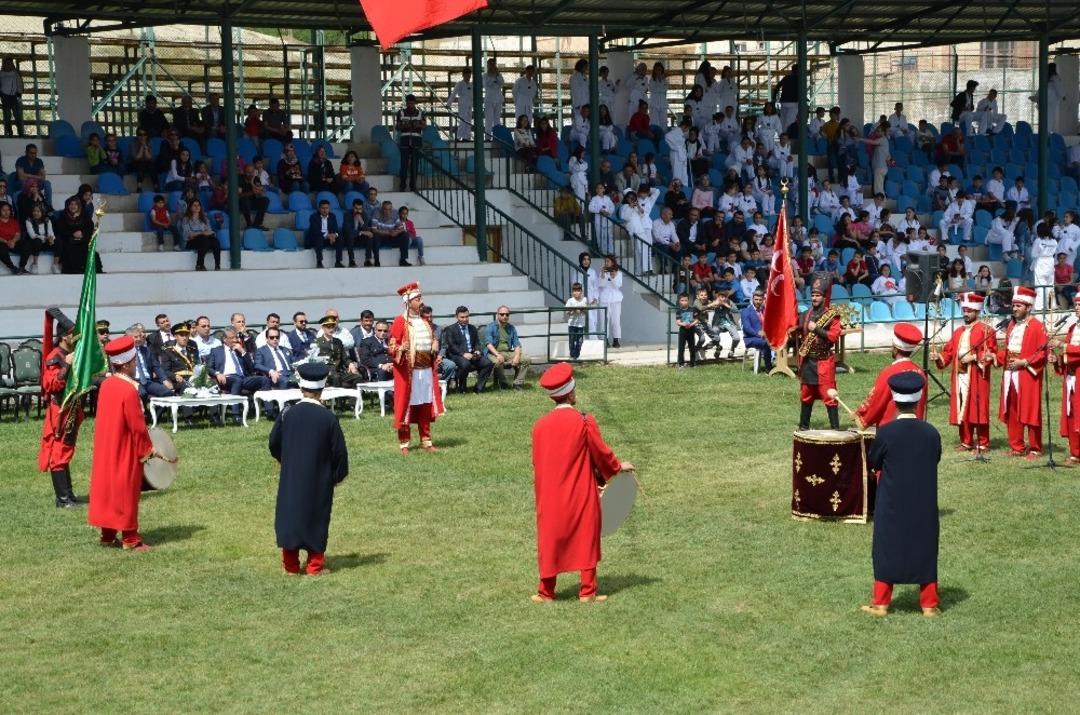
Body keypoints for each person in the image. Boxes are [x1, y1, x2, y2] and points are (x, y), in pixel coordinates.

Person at [530, 363, 632, 603]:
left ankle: (546, 591)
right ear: (571, 392)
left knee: (550, 537)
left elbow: (537, 462)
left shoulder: (539, 427)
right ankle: (587, 592)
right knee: (585, 535)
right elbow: (601, 454)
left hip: (549, 493)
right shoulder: (584, 421)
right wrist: (617, 468)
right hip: (579, 489)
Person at [862, 372, 942, 618]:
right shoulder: (931, 433)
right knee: (925, 546)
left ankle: (881, 603)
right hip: (923, 501)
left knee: (887, 546)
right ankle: (929, 604)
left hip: (892, 501)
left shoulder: (886, 433)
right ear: (918, 400)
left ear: (894, 401)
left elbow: (873, 462)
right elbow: (935, 458)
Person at [269, 362, 348, 576]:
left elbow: (274, 444)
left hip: (291, 475)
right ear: (322, 389)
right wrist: (336, 476)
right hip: (319, 477)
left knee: (290, 514)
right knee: (317, 516)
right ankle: (314, 566)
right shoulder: (328, 418)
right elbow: (339, 452)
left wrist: (287, 461)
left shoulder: (287, 413)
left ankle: (291, 566)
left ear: (301, 387)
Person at [86, 336, 161, 552]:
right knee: (126, 491)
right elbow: (137, 426)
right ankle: (130, 537)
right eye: (134, 361)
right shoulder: (129, 390)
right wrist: (147, 449)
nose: (136, 364)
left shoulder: (107, 384)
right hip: (125, 447)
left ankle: (108, 534)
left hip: (107, 445)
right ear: (127, 363)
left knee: (108, 489)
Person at [931, 292, 998, 452]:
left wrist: (974, 357)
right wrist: (938, 356)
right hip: (960, 375)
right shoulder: (958, 331)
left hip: (976, 376)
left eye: (969, 311)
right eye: (964, 310)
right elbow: (949, 352)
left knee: (978, 407)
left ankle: (983, 442)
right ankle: (966, 441)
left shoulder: (986, 330)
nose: (966, 314)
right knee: (962, 406)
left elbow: (991, 352)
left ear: (976, 311)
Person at [389, 282, 445, 453]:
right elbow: (391, 347)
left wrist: (435, 343)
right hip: (409, 372)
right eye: (418, 299)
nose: (421, 302)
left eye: (421, 298)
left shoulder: (425, 321)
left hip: (426, 370)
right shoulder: (400, 321)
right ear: (409, 302)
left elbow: (432, 338)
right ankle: (404, 442)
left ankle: (426, 440)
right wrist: (401, 349)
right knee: (406, 404)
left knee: (425, 404)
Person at [38, 309, 84, 508]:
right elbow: (52, 385)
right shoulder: (55, 357)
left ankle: (69, 495)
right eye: (74, 334)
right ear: (65, 336)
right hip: (61, 412)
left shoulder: (70, 353)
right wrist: (66, 366)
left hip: (72, 408)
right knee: (60, 451)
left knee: (66, 450)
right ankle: (63, 499)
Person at [996, 286, 1047, 458]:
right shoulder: (1011, 325)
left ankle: (1035, 447)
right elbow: (1009, 350)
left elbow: (1042, 352)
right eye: (1014, 305)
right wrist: (994, 356)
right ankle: (1016, 446)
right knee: (1012, 409)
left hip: (1027, 373)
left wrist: (1024, 362)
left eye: (1019, 306)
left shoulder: (1037, 326)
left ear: (1028, 307)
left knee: (1031, 410)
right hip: (1010, 373)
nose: (1015, 308)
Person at [853, 323, 928, 429]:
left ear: (895, 348)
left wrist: (863, 417)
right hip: (916, 428)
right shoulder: (920, 372)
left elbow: (876, 400)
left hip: (890, 429)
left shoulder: (889, 372)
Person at [797, 274, 843, 430]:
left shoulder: (832, 316)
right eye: (813, 295)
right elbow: (798, 330)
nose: (814, 298)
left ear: (824, 297)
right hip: (808, 362)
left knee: (829, 395)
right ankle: (803, 427)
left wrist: (816, 328)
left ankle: (835, 428)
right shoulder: (805, 314)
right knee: (806, 395)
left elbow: (833, 336)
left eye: (818, 295)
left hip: (823, 362)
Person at [1050, 295, 1080, 464]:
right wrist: (1058, 360)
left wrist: (1063, 346)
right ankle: (1075, 453)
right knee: (1071, 413)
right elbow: (1069, 352)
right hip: (1071, 376)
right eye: (1076, 304)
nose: (1076, 307)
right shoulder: (1073, 328)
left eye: (1079, 305)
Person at [443, 305, 493, 394]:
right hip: (457, 355)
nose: (465, 319)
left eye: (466, 317)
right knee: (465, 364)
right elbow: (451, 346)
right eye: (462, 317)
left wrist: (478, 350)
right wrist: (463, 354)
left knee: (488, 364)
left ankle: (478, 388)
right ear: (456, 317)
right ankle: (462, 389)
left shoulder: (472, 328)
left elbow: (477, 343)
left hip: (472, 354)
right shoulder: (450, 329)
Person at [484, 305, 531, 389]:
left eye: (507, 314)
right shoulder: (490, 327)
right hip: (493, 353)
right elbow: (488, 344)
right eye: (502, 314)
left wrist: (517, 356)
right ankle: (504, 383)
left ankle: (518, 383)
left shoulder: (511, 328)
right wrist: (497, 354)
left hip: (507, 352)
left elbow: (517, 344)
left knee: (526, 359)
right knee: (497, 362)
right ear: (497, 315)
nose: (504, 316)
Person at [395, 94, 424, 192]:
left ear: (415, 103)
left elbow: (424, 126)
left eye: (412, 103)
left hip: (416, 141)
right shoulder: (401, 113)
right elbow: (398, 127)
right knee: (403, 164)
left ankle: (413, 186)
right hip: (405, 140)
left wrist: (417, 125)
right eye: (409, 103)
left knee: (415, 165)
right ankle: (402, 186)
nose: (411, 105)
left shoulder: (421, 113)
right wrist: (406, 125)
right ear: (406, 103)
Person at [740, 290, 774, 371]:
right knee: (766, 343)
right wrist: (759, 334)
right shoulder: (745, 311)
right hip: (751, 338)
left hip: (765, 336)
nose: (758, 302)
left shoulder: (765, 311)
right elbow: (747, 328)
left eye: (760, 300)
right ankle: (769, 367)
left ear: (763, 300)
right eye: (756, 299)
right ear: (752, 299)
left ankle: (780, 365)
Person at [306, 199, 340, 269]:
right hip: (316, 239)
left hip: (329, 240)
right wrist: (328, 236)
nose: (325, 210)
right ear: (319, 208)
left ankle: (338, 262)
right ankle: (319, 262)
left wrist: (334, 235)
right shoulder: (313, 217)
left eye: (327, 208)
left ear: (329, 208)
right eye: (323, 208)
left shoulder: (332, 216)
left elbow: (336, 229)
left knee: (340, 238)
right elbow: (315, 231)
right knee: (319, 237)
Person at [598, 255, 623, 348]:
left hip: (615, 299)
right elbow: (600, 285)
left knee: (616, 320)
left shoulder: (618, 273)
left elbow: (618, 285)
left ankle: (616, 340)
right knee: (604, 320)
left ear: (612, 262)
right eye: (605, 261)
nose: (606, 263)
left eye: (608, 261)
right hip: (604, 299)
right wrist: (603, 275)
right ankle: (605, 340)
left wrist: (613, 277)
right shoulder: (602, 272)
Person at [446, 68, 473, 141]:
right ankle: (458, 137)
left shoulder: (471, 84)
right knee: (463, 121)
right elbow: (453, 94)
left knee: (468, 121)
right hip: (463, 104)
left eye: (469, 75)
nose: (468, 77)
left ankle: (466, 137)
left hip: (470, 105)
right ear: (463, 75)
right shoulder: (460, 84)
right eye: (466, 75)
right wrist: (448, 104)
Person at [565, 283, 589, 360]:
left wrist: (581, 310)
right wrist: (573, 311)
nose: (576, 293)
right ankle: (572, 355)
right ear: (572, 292)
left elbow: (586, 310)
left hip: (580, 324)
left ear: (581, 291)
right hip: (572, 324)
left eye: (578, 291)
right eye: (574, 291)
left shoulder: (584, 299)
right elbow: (567, 312)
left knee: (580, 341)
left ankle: (576, 355)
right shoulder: (570, 300)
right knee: (572, 340)